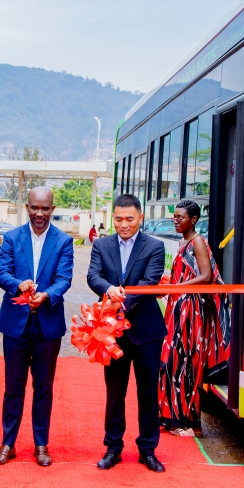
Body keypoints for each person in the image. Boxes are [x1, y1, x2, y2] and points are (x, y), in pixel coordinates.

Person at [0, 186, 74, 468]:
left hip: (47, 326)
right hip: (15, 325)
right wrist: (19, 285)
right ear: (26, 207)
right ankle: (8, 443)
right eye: (34, 208)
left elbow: (64, 278)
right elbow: (1, 273)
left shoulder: (63, 241)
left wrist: (47, 295)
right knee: (13, 388)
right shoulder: (13, 238)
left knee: (43, 388)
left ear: (53, 209)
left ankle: (41, 444)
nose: (40, 213)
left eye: (45, 208)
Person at [86, 193, 167, 473]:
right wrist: (109, 290)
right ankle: (113, 447)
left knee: (147, 393)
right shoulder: (101, 245)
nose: (123, 224)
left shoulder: (154, 246)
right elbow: (93, 276)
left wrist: (123, 300)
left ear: (140, 218)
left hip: (146, 332)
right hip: (112, 333)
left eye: (129, 219)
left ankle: (148, 449)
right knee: (115, 392)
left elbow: (151, 280)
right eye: (118, 219)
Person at [158, 200, 230, 437]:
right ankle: (172, 416)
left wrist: (177, 286)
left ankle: (191, 423)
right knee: (172, 362)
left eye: (181, 217)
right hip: (178, 307)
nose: (176, 220)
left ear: (194, 219)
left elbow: (207, 277)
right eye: (175, 217)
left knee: (188, 363)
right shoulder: (182, 242)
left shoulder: (197, 241)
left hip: (192, 311)